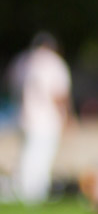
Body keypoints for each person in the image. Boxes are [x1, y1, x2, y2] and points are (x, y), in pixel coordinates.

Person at [7, 33, 70, 204]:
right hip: (47, 119)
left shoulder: (23, 61)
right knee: (41, 158)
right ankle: (33, 195)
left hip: (23, 117)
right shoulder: (54, 63)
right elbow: (58, 94)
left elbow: (11, 85)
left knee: (27, 156)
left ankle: (24, 192)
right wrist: (67, 117)